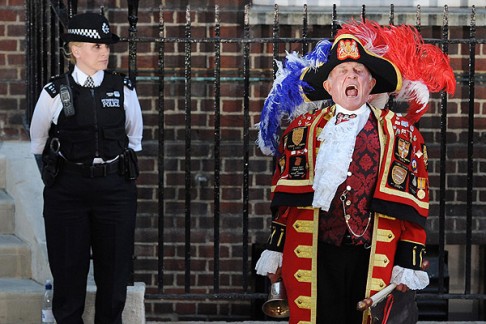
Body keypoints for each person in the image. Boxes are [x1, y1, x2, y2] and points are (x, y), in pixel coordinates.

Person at [255, 20, 455, 324]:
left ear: (371, 84)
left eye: (359, 72)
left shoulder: (401, 134)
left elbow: (413, 206)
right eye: (342, 72)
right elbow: (284, 201)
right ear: (328, 86)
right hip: (315, 253)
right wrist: (276, 250)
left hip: (373, 254)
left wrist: (408, 263)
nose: (351, 77)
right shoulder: (302, 131)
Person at [29, 12, 143, 324]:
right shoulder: (55, 91)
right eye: (96, 46)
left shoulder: (123, 89)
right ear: (76, 50)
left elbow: (134, 139)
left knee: (115, 270)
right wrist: (65, 178)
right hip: (68, 190)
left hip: (114, 188)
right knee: (68, 270)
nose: (105, 51)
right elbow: (38, 142)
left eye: (106, 46)